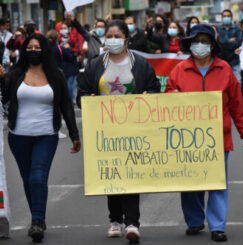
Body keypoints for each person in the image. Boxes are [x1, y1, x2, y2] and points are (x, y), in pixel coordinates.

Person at [165, 24, 243, 242]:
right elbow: (166, 99)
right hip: (186, 139)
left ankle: (217, 226)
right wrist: (172, 95)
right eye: (196, 40)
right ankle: (194, 222)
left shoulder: (224, 70)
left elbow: (236, 104)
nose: (200, 45)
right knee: (190, 183)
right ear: (190, 44)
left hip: (218, 138)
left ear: (213, 45)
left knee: (217, 182)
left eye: (205, 41)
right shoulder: (179, 70)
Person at [77, 19, 160, 243]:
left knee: (131, 175)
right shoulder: (95, 64)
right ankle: (115, 220)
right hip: (105, 131)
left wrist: (148, 97)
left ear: (126, 38)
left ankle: (132, 223)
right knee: (112, 175)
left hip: (134, 130)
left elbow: (154, 88)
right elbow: (81, 92)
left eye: (117, 36)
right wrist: (88, 99)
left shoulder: (140, 64)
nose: (112, 40)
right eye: (109, 35)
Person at [0, 33, 81, 243]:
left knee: (37, 176)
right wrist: (0, 80)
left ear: (44, 50)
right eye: (29, 48)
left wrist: (74, 135)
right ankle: (37, 218)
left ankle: (37, 221)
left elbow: (66, 106)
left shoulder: (56, 75)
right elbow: (4, 98)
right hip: (18, 136)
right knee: (27, 179)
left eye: (37, 47)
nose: (33, 51)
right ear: (25, 51)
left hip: (46, 135)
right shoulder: (16, 73)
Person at [46, 30, 79, 102]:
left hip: (46, 73)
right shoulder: (60, 49)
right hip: (58, 73)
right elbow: (70, 57)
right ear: (57, 39)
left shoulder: (44, 49)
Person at [217, 9, 243, 82]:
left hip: (234, 61)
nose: (226, 17)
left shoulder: (237, 29)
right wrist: (229, 41)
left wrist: (224, 43)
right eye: (224, 16)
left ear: (231, 17)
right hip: (222, 62)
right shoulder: (218, 29)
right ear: (221, 18)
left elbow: (238, 43)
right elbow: (219, 43)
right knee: (222, 84)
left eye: (228, 16)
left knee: (237, 83)